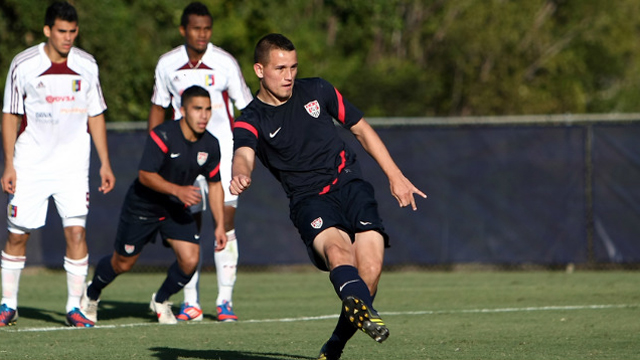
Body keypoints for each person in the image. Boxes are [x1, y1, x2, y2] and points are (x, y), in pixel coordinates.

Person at [230, 33, 427, 360]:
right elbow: (244, 152)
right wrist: (241, 172)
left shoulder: (318, 89)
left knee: (371, 269)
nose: (289, 76)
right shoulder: (251, 117)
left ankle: (335, 344)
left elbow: (361, 128)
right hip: (309, 200)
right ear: (259, 70)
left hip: (350, 183)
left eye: (293, 67)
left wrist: (396, 176)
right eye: (280, 68)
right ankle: (361, 316)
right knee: (338, 252)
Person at [0, 1, 115, 328]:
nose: (67, 38)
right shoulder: (23, 64)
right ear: (48, 30)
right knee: (17, 235)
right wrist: (9, 163)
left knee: (76, 232)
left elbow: (96, 115)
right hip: (30, 165)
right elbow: (10, 113)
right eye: (61, 31)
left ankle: (73, 308)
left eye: (72, 32)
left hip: (73, 168)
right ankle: (8, 304)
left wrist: (105, 163)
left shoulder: (87, 65)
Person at [80, 86, 227, 324]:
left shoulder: (211, 144)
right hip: (143, 206)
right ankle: (92, 293)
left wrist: (220, 225)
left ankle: (160, 299)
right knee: (123, 263)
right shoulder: (163, 134)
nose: (204, 115)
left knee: (190, 259)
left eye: (208, 109)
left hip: (174, 209)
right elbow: (145, 175)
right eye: (197, 109)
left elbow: (216, 186)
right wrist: (179, 190)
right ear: (182, 110)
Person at [148, 1, 252, 322]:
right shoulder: (167, 64)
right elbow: (158, 108)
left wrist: (243, 156)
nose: (202, 34)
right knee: (189, 229)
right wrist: (155, 153)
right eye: (196, 28)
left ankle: (224, 302)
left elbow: (246, 108)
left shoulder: (224, 63)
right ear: (183, 30)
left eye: (207, 28)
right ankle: (190, 303)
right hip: (184, 163)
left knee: (226, 223)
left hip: (222, 159)